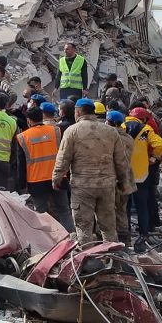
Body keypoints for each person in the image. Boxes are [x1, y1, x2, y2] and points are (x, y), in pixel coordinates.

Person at [52, 98, 128, 244]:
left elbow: (63, 159)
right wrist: (123, 181)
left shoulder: (72, 131)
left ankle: (88, 261)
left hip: (83, 187)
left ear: (78, 112)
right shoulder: (111, 131)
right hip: (106, 186)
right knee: (109, 227)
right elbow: (121, 160)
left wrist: (56, 178)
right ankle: (112, 259)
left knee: (84, 228)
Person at [16, 106, 74, 232]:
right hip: (58, 178)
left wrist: (21, 184)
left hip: (36, 181)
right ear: (41, 117)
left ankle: (45, 242)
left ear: (29, 120)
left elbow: (21, 163)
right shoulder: (56, 131)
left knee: (40, 213)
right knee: (64, 210)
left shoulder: (22, 137)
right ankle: (72, 238)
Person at [124, 108, 162, 251]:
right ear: (143, 118)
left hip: (123, 173)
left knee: (125, 206)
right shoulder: (146, 129)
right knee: (142, 206)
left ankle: (126, 234)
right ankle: (143, 234)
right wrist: (154, 157)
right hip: (141, 174)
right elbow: (160, 144)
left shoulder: (120, 126)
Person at [107, 110, 138, 244]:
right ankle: (125, 238)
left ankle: (113, 240)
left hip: (114, 178)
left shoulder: (110, 138)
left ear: (110, 122)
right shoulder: (129, 137)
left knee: (109, 210)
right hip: (127, 178)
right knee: (122, 210)